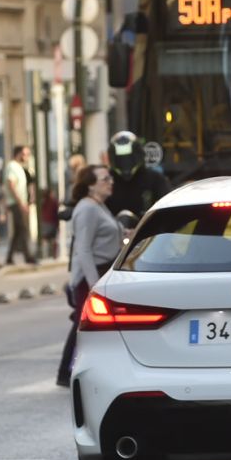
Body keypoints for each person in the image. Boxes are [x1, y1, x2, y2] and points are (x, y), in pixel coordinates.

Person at [57, 164, 120, 387]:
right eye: (104, 179)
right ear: (91, 185)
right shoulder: (87, 209)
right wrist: (94, 284)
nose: (110, 182)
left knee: (87, 325)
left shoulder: (99, 206)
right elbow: (83, 249)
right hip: (90, 276)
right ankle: (66, 372)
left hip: (102, 273)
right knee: (84, 326)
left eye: (109, 178)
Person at [104, 131, 169, 222]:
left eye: (129, 158)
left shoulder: (155, 179)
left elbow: (167, 211)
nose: (125, 163)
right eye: (121, 159)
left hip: (147, 233)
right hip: (114, 233)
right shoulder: (106, 180)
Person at [3, 144, 37, 265]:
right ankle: (28, 256)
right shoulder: (12, 166)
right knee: (23, 229)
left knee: (18, 230)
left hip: (20, 202)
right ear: (18, 154)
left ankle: (9, 256)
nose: (27, 157)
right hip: (16, 203)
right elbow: (11, 185)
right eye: (25, 154)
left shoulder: (19, 167)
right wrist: (20, 202)